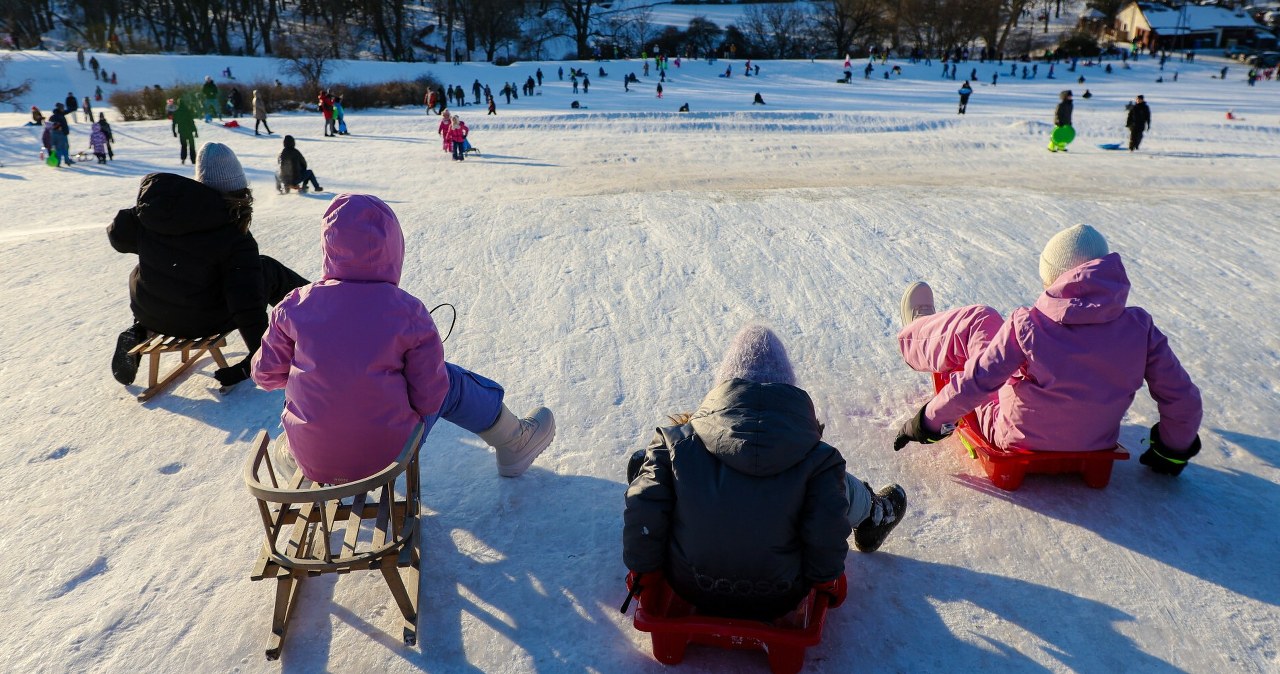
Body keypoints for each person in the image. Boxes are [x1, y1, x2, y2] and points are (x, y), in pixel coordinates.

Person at [250, 193, 556, 484]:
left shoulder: (294, 305)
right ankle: (514, 440)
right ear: (394, 248)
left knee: (310, 416)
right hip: (388, 456)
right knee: (451, 382)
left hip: (311, 455)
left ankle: (308, 456)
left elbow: (264, 376)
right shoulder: (407, 311)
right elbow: (430, 397)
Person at [623, 324, 907, 621]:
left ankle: (648, 472)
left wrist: (648, 573)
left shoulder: (675, 444)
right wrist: (825, 582)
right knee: (836, 487)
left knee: (659, 477)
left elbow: (643, 514)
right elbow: (825, 531)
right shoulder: (820, 461)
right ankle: (874, 513)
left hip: (689, 584)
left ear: (724, 390)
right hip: (780, 595)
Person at [892, 224, 1202, 477]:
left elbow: (978, 382)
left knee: (980, 319)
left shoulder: (1029, 326)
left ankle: (918, 333)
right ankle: (927, 329)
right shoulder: (1139, 327)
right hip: (1096, 445)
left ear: (1055, 278)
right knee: (995, 343)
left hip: (1014, 439)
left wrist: (928, 421)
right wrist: (1171, 451)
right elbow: (1181, 396)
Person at [108, 143, 310, 389]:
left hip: (151, 313)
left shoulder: (155, 212)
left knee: (152, 268)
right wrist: (257, 360)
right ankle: (320, 308)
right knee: (265, 269)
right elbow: (246, 305)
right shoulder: (234, 238)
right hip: (201, 322)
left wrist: (139, 214)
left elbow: (117, 235)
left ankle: (139, 330)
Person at [171, 98, 198, 164]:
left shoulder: (176, 112)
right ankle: (193, 160)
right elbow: (192, 122)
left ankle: (183, 159)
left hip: (182, 132)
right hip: (189, 131)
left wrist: (174, 132)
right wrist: (196, 131)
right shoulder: (188, 111)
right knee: (192, 146)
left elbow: (174, 123)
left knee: (183, 146)